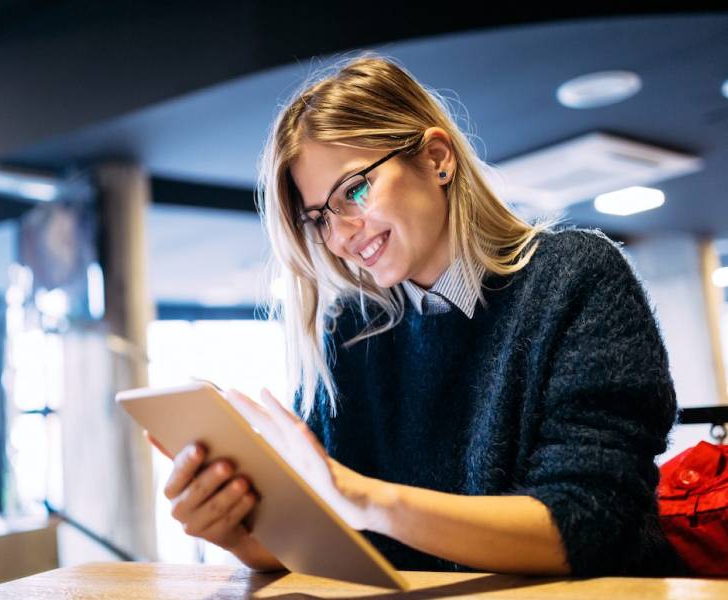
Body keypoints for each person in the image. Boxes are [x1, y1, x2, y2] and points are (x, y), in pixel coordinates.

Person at [146, 52, 687, 577]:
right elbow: (331, 540)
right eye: (318, 219)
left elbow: (591, 523)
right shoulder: (348, 330)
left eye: (353, 190)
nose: (340, 236)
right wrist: (237, 531)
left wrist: (367, 500)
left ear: (436, 158)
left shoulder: (576, 277)